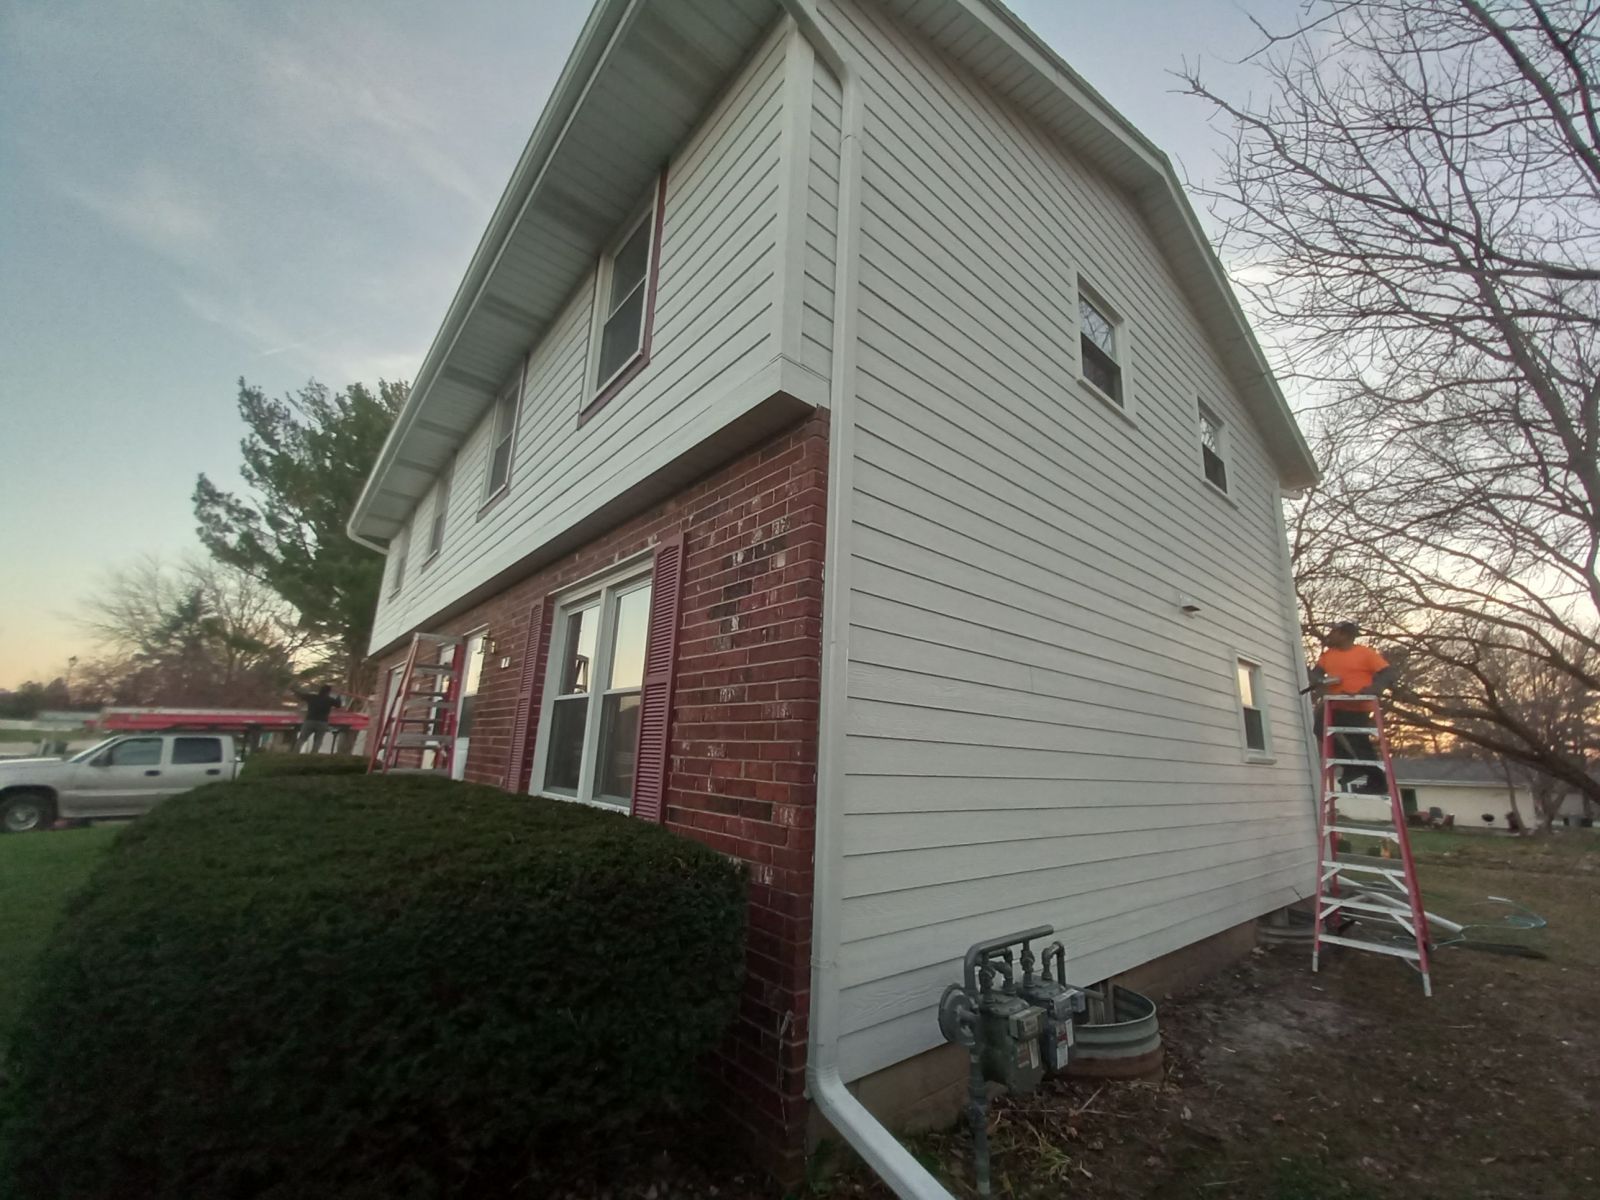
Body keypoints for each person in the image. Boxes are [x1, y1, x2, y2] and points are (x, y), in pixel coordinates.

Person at [1310, 622, 1398, 794]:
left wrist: (1371, 690)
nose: (1330, 635)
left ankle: (1377, 782)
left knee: (1359, 743)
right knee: (1319, 728)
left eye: (1334, 632)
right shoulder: (1328, 655)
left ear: (1344, 635)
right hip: (1334, 703)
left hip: (1357, 704)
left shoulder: (1364, 653)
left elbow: (1388, 673)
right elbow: (1316, 674)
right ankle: (1350, 765)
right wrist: (1321, 682)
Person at [294, 685, 344, 754]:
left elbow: (300, 695)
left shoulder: (312, 697)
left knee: (302, 739)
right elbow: (338, 705)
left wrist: (293, 689)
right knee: (318, 740)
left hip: (310, 721)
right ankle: (313, 755)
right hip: (322, 722)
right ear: (328, 692)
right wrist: (339, 695)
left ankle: (295, 753)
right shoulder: (329, 700)